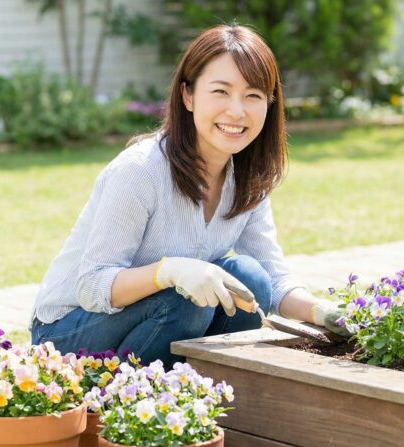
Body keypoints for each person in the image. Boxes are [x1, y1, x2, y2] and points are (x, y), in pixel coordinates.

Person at [30, 24, 345, 366]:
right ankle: (122, 402)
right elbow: (91, 286)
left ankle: (203, 395)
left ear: (270, 103)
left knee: (250, 279)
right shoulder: (140, 171)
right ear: (188, 96)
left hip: (157, 319)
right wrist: (168, 271)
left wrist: (323, 311)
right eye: (221, 92)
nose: (237, 111)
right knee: (188, 299)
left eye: (253, 95)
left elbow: (273, 280)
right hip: (67, 332)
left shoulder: (248, 177)